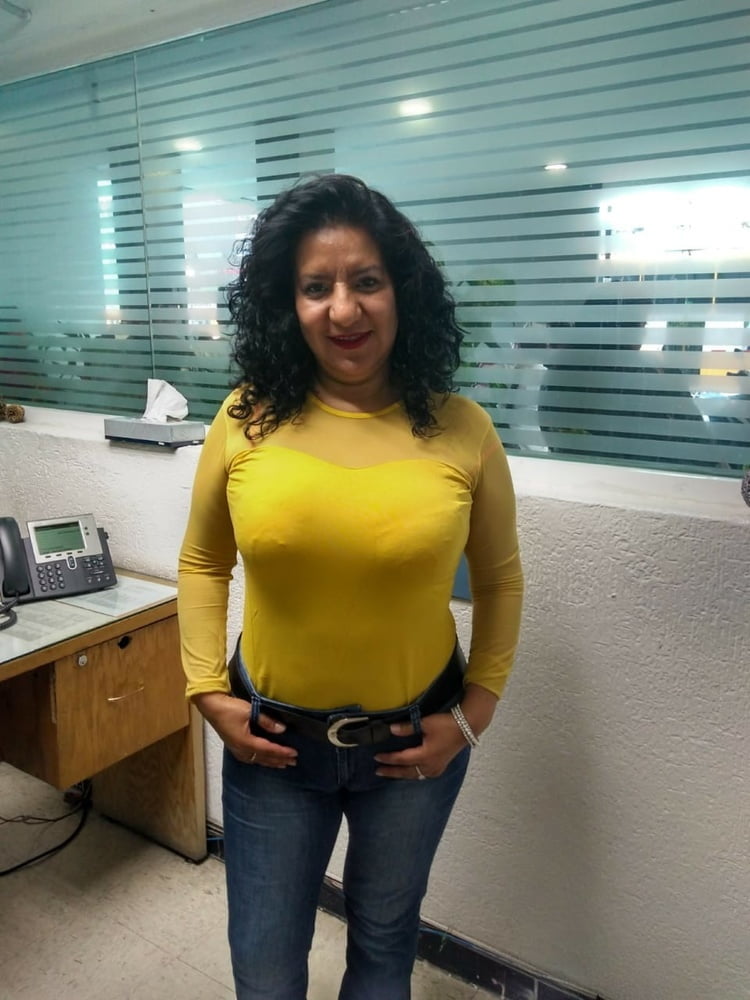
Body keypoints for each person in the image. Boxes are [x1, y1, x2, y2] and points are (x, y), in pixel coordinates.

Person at [177, 173, 524, 1000]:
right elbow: (202, 562)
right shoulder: (244, 418)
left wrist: (473, 715)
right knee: (265, 969)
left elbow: (501, 579)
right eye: (316, 287)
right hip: (270, 743)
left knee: (383, 949)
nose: (344, 310)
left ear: (402, 290)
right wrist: (205, 690)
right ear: (286, 304)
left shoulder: (463, 429)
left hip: (412, 743)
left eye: (366, 280)